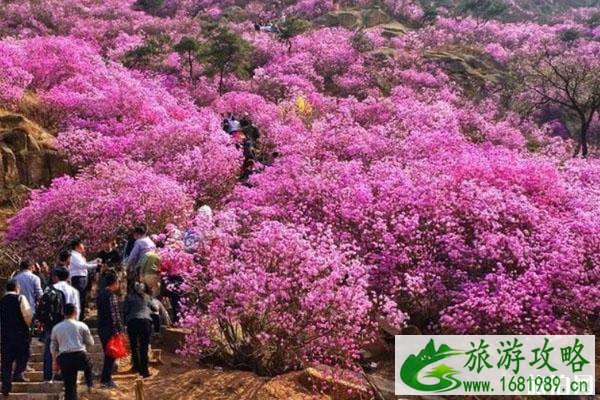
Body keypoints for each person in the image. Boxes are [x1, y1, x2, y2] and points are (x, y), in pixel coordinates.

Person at [39, 264, 78, 382]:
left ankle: (47, 376)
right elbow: (77, 308)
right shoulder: (72, 290)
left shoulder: (48, 289)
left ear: (56, 277)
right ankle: (63, 374)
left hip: (51, 324)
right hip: (67, 322)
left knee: (49, 350)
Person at [50, 303, 94, 400]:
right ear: (75, 312)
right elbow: (90, 343)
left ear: (63, 313)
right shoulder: (82, 325)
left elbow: (53, 347)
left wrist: (54, 361)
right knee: (89, 364)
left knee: (69, 386)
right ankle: (90, 384)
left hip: (65, 358)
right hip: (80, 356)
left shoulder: (56, 328)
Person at [0, 279, 33, 396]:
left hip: (5, 336)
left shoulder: (2, 301)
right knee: (24, 354)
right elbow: (27, 314)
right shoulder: (20, 298)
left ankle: (5, 387)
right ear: (16, 288)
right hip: (20, 334)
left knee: (6, 362)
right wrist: (29, 326)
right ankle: (18, 373)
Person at [96, 272, 125, 388]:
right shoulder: (111, 295)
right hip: (110, 329)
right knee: (111, 355)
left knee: (108, 354)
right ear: (114, 282)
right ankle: (106, 379)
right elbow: (115, 315)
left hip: (102, 327)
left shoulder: (100, 294)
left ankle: (106, 378)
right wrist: (119, 329)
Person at [123, 282, 156, 378]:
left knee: (134, 345)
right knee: (144, 347)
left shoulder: (128, 297)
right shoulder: (148, 297)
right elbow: (154, 308)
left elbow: (125, 311)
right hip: (145, 322)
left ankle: (136, 366)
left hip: (132, 322)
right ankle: (144, 371)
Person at [69, 238, 100, 321]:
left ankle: (81, 316)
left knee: (83, 299)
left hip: (83, 278)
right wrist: (96, 265)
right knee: (80, 299)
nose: (83, 246)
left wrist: (94, 261)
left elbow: (85, 264)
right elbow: (82, 266)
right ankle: (78, 318)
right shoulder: (73, 255)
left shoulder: (78, 255)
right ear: (77, 246)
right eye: (82, 244)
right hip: (78, 279)